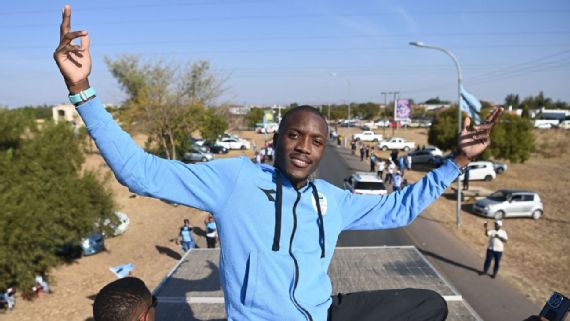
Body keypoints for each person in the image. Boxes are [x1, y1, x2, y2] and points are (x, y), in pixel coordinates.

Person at [54, 6, 502, 320]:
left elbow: (398, 209)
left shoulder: (332, 200)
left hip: (322, 314)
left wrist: (458, 159)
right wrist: (83, 90)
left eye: (316, 141)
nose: (305, 147)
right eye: (295, 135)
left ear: (324, 150)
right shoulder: (234, 181)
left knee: (430, 305)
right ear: (277, 140)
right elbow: (139, 172)